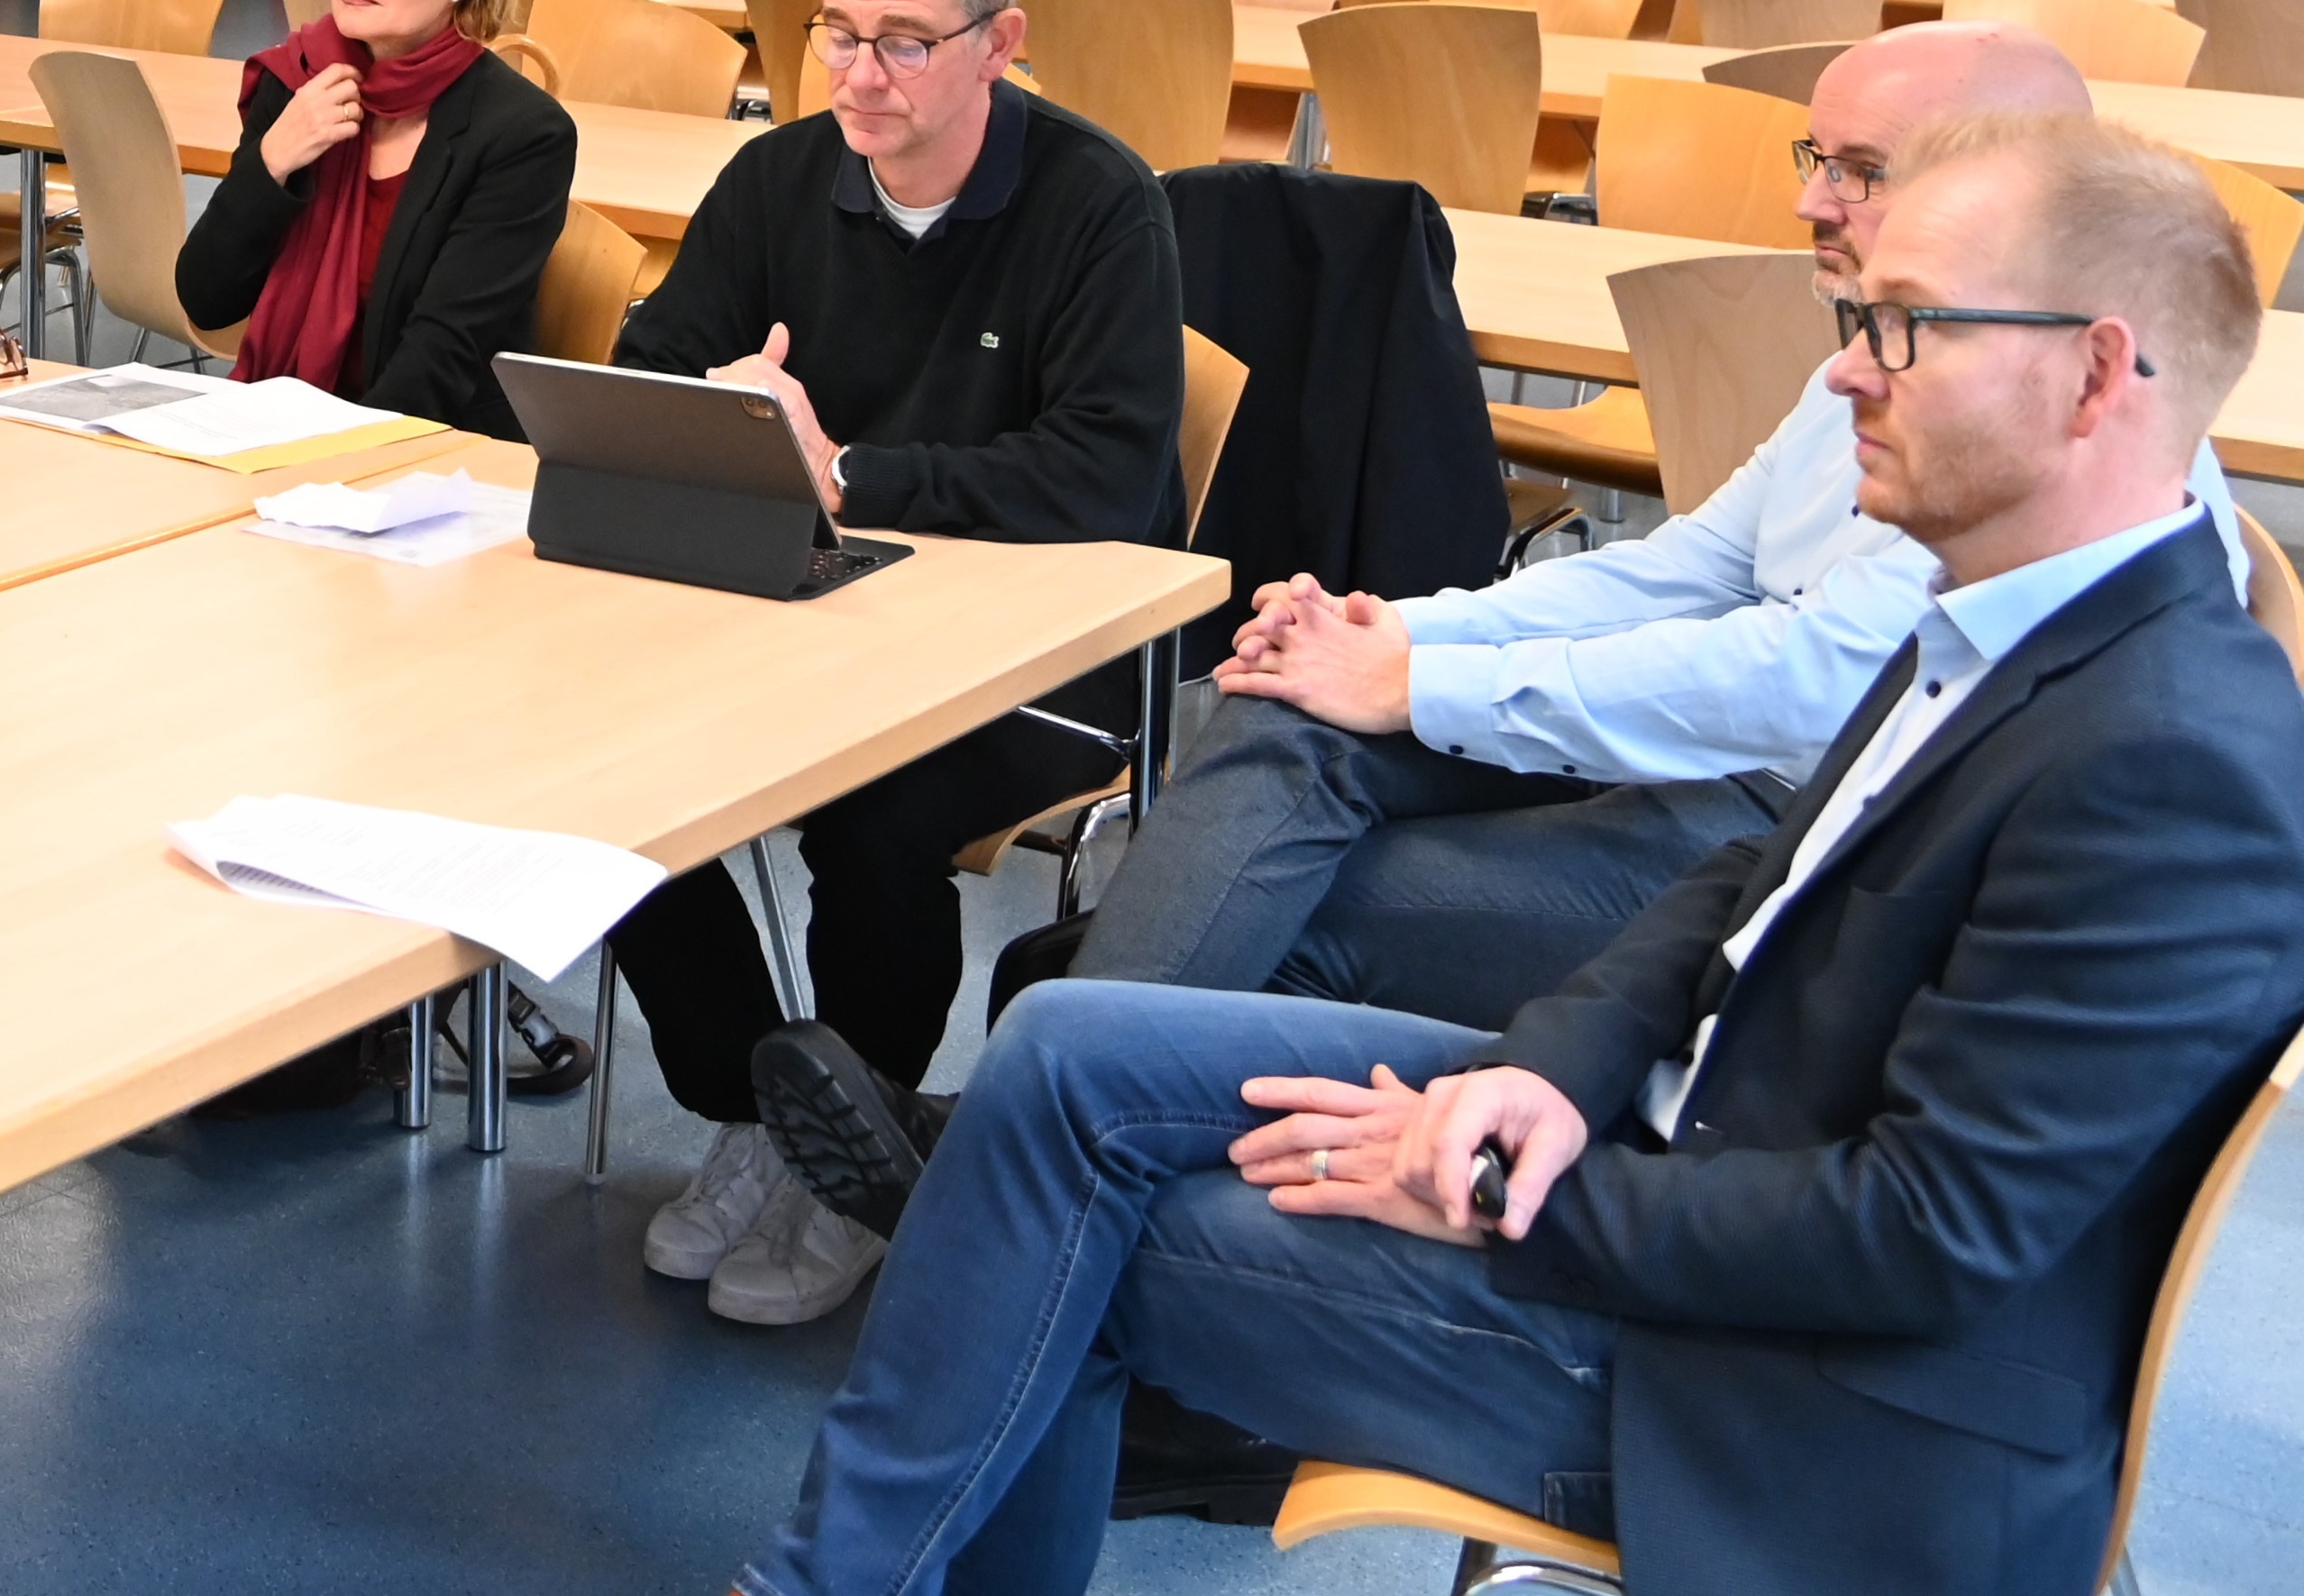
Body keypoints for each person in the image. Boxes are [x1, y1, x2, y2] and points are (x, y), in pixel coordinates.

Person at [726, 114, 2304, 1596]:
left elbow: (1921, 1239)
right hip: (1675, 1169)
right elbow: (1737, 897)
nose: (1844, 380)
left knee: (1058, 1233)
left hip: (1787, 1398)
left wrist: (1493, 1197)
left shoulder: (2169, 755)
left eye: (1904, 327)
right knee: (1066, 1054)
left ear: (2097, 378)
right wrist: (1543, 1076)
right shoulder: (2013, 610)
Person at [1051, 22, 2243, 1044]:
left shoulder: (2053, 441)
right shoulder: (1880, 351)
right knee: (1286, 706)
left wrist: (1421, 678)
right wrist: (1391, 628)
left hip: (1804, 835)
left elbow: (1809, 680)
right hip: (1705, 764)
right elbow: (1692, 567)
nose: (1806, 200)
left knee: (1292, 915)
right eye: (1813, 155)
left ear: (2008, 191)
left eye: (1858, 168)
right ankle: (1033, 1112)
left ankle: (1042, 1130)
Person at [602, 0, 1185, 1327]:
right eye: (835, 32)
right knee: (598, 763)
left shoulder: (1096, 206)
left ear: (1002, 38)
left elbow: (1102, 480)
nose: (858, 75)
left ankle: (852, 1157)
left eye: (903, 41)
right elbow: (650, 356)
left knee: (875, 809)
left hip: (1052, 642)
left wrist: (846, 470)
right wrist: (724, 406)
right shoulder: (779, 178)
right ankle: (758, 1108)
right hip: (810, 608)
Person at [175, 0, 575, 437]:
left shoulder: (520, 134)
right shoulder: (298, 82)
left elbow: (440, 361)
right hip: (280, 431)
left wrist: (321, 463)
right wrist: (272, 162)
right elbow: (206, 296)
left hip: (435, 456)